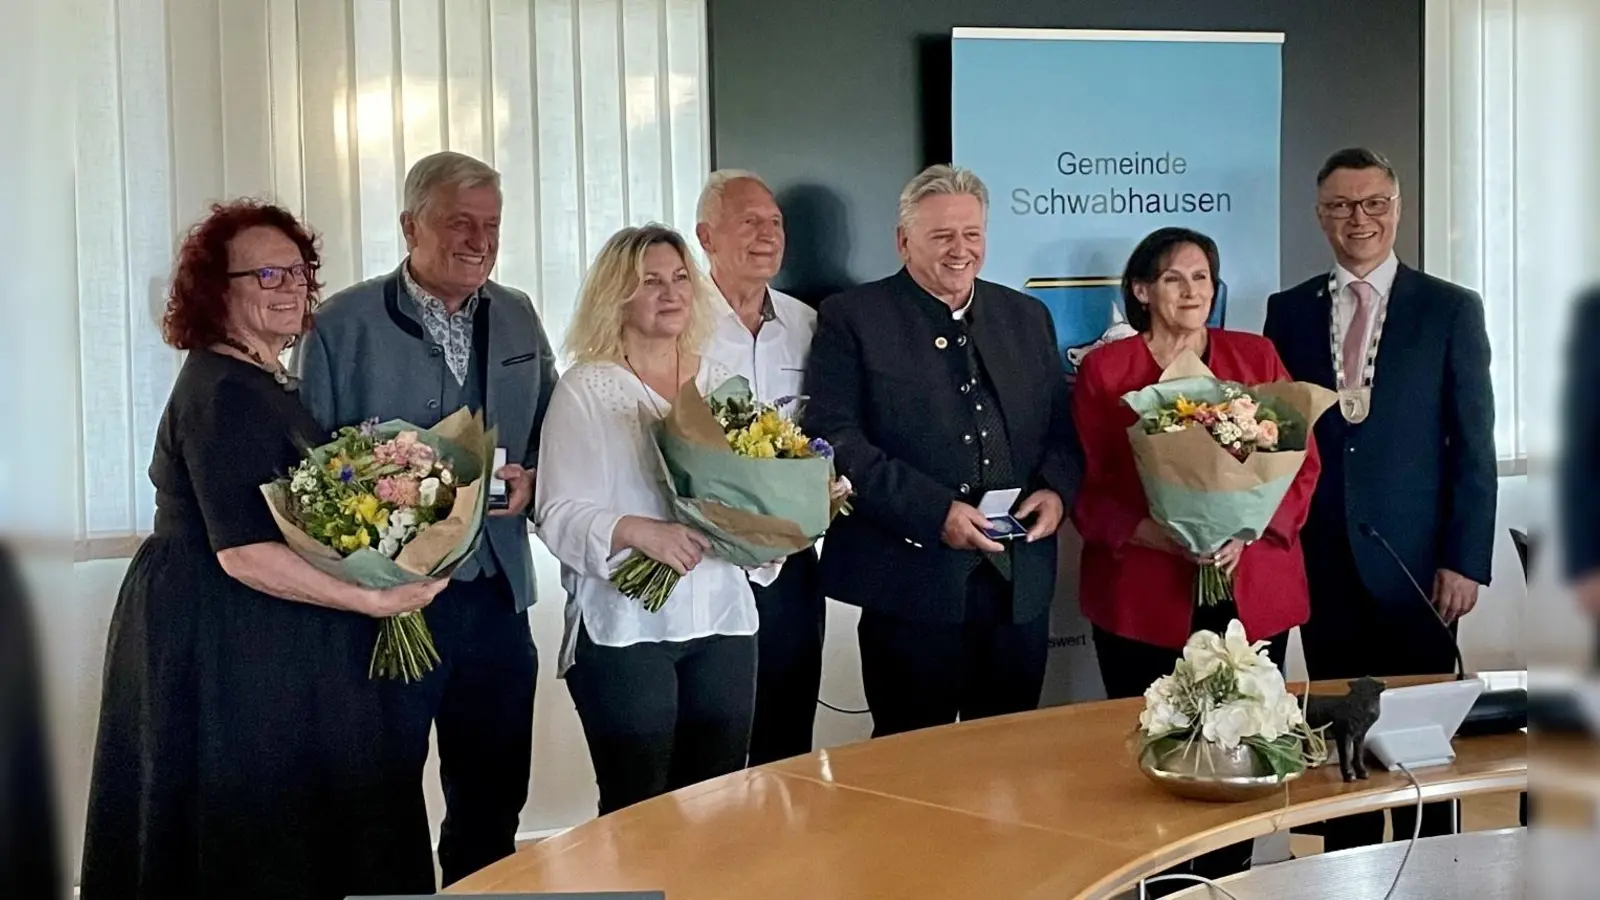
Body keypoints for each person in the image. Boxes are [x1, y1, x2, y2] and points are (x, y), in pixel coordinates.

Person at [80, 201, 446, 900]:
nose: (292, 287)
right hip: (220, 630)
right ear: (218, 290)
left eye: (300, 271)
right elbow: (242, 552)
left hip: (245, 627)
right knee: (250, 827)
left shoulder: (258, 379)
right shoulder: (225, 393)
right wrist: (372, 597)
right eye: (268, 273)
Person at [291, 151, 558, 886]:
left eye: (491, 225)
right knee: (379, 805)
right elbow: (305, 463)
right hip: (382, 608)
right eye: (458, 223)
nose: (478, 239)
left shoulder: (519, 313)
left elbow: (548, 425)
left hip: (496, 597)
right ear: (410, 226)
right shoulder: (340, 322)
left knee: (494, 796)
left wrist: (534, 474)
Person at [1070, 227, 1320, 892]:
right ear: (1143, 290)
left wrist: (1245, 527)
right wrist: (1163, 534)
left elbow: (1300, 466)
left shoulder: (1255, 353)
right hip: (1144, 596)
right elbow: (1087, 488)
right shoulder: (1107, 372)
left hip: (1252, 585)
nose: (1191, 291)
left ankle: (1234, 882)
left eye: (1202, 278)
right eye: (1175, 279)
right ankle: (1160, 885)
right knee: (1159, 758)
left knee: (1243, 751)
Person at [1264, 147, 1497, 852]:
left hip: (1418, 562)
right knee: (1344, 737)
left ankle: (1436, 863)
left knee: (1422, 735)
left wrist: (1466, 560)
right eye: (1339, 205)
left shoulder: (1450, 309)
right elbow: (1278, 437)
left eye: (1371, 204)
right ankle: (1351, 869)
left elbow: (1474, 445)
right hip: (1323, 557)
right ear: (1319, 215)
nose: (1356, 219)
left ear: (1397, 209)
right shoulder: (1288, 311)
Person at [799, 164, 1081, 738]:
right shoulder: (852, 317)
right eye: (942, 236)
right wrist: (934, 513)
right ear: (904, 241)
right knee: (909, 770)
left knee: (1008, 760)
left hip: (1016, 585)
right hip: (909, 586)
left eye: (971, 234)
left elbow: (1062, 428)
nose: (961, 250)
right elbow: (835, 438)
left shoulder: (1026, 316)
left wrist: (1056, 491)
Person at [532, 224, 758, 815]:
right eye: (650, 281)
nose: (671, 292)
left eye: (680, 278)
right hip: (627, 630)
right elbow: (556, 512)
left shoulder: (720, 383)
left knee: (719, 805)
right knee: (640, 812)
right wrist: (641, 532)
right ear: (617, 296)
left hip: (723, 620)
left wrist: (779, 521)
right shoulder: (586, 388)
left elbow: (754, 485)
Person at [694, 169, 823, 765]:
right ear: (706, 236)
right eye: (749, 221)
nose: (767, 234)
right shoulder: (675, 320)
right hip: (700, 558)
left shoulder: (808, 324)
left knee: (788, 731)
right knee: (711, 743)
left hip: (790, 559)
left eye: (775, 222)